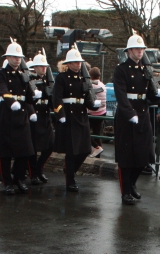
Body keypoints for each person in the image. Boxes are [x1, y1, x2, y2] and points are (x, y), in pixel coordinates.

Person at [113, 34, 160, 205]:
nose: (140, 52)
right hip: (128, 117)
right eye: (137, 49)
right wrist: (129, 113)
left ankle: (132, 184)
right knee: (127, 157)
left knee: (145, 154)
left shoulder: (145, 69)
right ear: (129, 51)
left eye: (142, 49)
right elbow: (121, 95)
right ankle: (125, 191)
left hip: (143, 113)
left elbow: (149, 95)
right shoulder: (121, 70)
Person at [53, 46, 101, 192]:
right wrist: (60, 114)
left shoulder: (84, 79)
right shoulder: (62, 78)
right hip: (68, 116)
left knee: (85, 149)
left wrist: (93, 105)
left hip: (81, 116)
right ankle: (70, 181)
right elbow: (56, 98)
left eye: (79, 62)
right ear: (68, 64)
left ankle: (70, 171)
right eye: (74, 62)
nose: (78, 64)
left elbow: (86, 99)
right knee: (71, 151)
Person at [0, 39, 36, 195]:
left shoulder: (23, 74)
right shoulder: (1, 73)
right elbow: (1, 87)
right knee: (5, 152)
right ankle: (7, 182)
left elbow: (28, 96)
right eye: (14, 56)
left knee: (24, 151)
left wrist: (35, 96)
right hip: (7, 115)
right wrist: (11, 100)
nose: (17, 59)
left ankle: (18, 178)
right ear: (7, 58)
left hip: (21, 115)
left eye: (19, 57)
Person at [27, 51, 54, 185]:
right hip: (35, 115)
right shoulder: (31, 79)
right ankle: (33, 173)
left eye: (45, 66)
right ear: (35, 67)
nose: (44, 68)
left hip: (45, 115)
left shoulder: (47, 80)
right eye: (41, 66)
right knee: (33, 148)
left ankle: (38, 168)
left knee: (50, 145)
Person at [88, 67, 106, 158]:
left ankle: (96, 147)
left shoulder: (92, 85)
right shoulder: (102, 84)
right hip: (102, 112)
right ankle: (98, 153)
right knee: (97, 134)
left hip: (93, 113)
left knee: (85, 132)